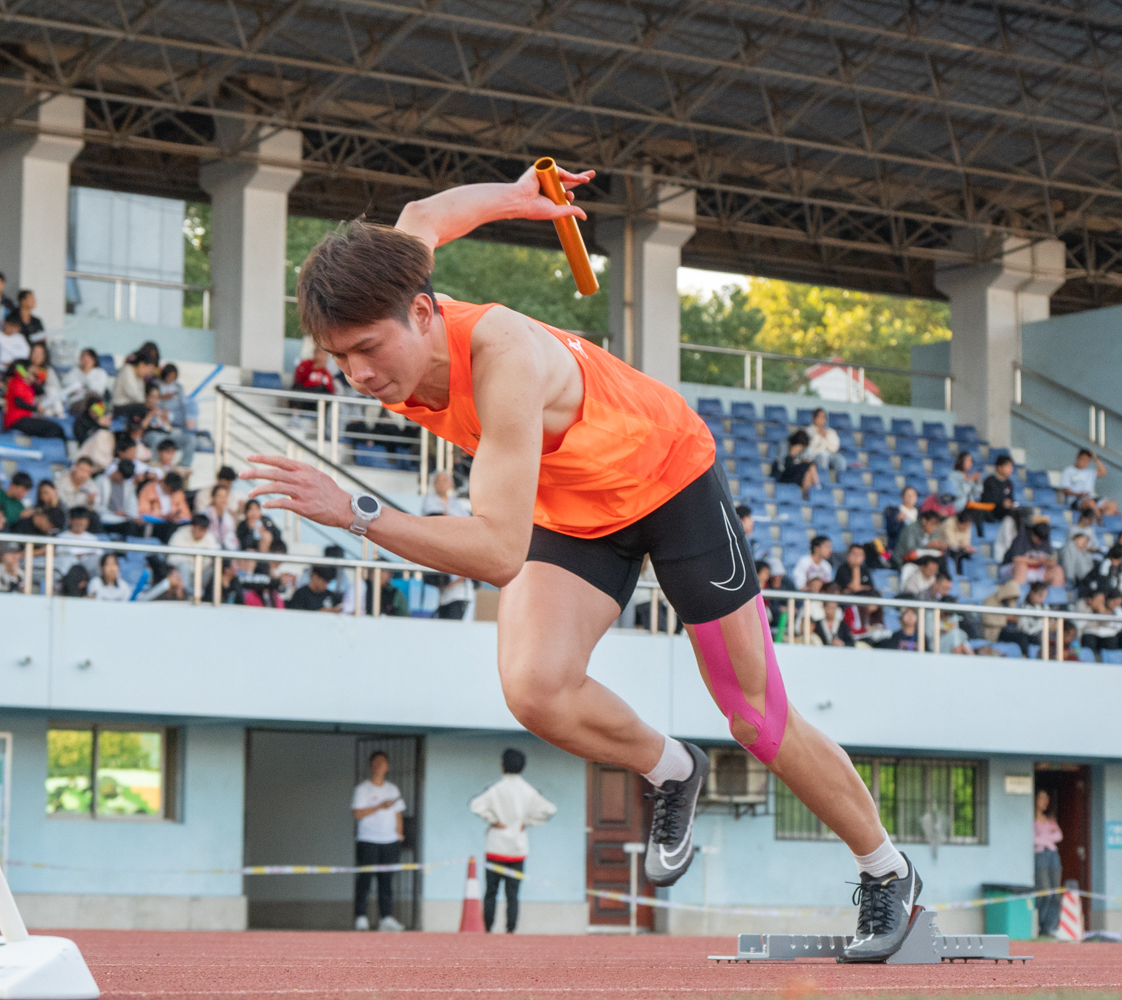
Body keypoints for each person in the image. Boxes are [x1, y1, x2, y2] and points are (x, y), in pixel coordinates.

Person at [247, 176, 920, 963]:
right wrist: (521, 195)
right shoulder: (399, 275)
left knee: (755, 716)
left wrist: (354, 510)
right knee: (536, 687)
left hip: (668, 479)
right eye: (339, 356)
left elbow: (498, 553)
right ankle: (672, 769)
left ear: (424, 313)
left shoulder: (503, 359)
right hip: (573, 509)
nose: (358, 374)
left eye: (369, 349)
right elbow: (428, 215)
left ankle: (885, 867)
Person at [468, 747, 557, 934]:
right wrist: (528, 822)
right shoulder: (529, 791)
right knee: (513, 894)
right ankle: (511, 930)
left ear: (502, 764)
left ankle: (488, 928)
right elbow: (550, 810)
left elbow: (475, 805)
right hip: (518, 849)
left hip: (495, 846)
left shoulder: (495, 788)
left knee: (491, 892)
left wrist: (493, 820)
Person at [351, 750, 406, 932]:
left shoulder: (392, 789)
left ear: (387, 767)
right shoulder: (362, 789)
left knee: (386, 881)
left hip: (389, 842)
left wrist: (399, 835)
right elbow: (357, 813)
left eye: (383, 763)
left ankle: (386, 918)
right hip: (368, 840)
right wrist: (379, 806)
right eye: (376, 762)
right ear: (371, 765)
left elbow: (398, 814)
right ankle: (361, 916)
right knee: (365, 879)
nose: (379, 766)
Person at [1034, 789, 1063, 938]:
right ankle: (1038, 924)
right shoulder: (1031, 820)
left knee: (1055, 892)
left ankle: (1050, 927)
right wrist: (1047, 839)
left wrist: (1043, 839)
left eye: (1047, 798)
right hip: (1040, 855)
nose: (1045, 801)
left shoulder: (1050, 820)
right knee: (1044, 891)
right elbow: (1032, 839)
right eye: (1041, 797)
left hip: (1053, 855)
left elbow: (1059, 835)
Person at [1056, 448, 1117, 516]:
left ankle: (1100, 521)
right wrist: (1078, 494)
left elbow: (1103, 472)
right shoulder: (1069, 470)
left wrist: (1095, 458)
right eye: (1083, 459)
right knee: (1091, 504)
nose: (1084, 462)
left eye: (1087, 460)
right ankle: (1099, 522)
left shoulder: (1089, 472)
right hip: (1076, 499)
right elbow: (1065, 490)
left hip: (1092, 497)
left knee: (1112, 505)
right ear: (1077, 458)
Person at [803, 408, 846, 477]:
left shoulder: (830, 432)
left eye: (823, 417)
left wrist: (826, 436)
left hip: (830, 454)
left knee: (841, 461)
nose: (821, 420)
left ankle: (841, 482)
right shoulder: (808, 431)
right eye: (819, 417)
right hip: (816, 454)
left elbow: (835, 447)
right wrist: (817, 435)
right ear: (814, 418)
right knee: (823, 459)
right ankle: (823, 480)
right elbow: (810, 447)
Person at [775, 428, 819, 494]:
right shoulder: (783, 446)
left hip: (796, 474)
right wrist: (791, 455)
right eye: (801, 447)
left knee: (810, 467)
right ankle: (816, 489)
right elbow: (781, 467)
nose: (801, 450)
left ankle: (811, 492)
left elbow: (806, 459)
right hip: (783, 475)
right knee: (808, 466)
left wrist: (802, 461)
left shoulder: (801, 451)